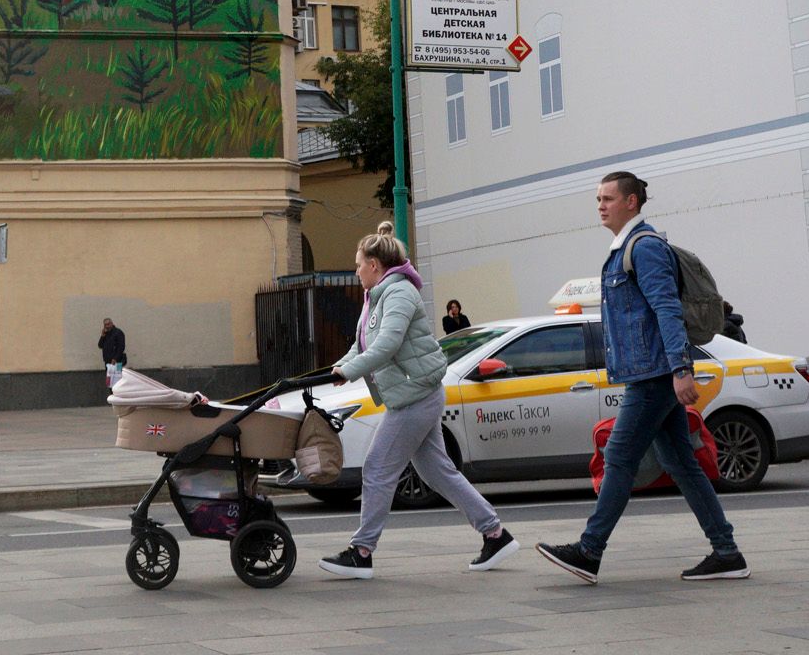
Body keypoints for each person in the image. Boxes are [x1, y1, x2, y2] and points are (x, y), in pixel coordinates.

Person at [537, 172, 748, 583]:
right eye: (598, 199)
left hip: (655, 374)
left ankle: (589, 551)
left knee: (618, 458)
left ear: (631, 202)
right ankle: (727, 552)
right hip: (650, 371)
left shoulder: (644, 248)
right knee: (680, 463)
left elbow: (667, 310)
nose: (601, 206)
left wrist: (681, 369)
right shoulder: (623, 249)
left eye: (608, 198)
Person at [319, 228, 518, 581]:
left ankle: (361, 552)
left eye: (359, 264)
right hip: (413, 394)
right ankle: (495, 534)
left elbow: (388, 345)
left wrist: (350, 371)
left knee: (377, 468)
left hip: (414, 396)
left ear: (375, 265)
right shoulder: (376, 297)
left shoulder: (399, 293)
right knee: (437, 471)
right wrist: (339, 368)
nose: (356, 271)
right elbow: (362, 345)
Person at [98, 317, 127, 388]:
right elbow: (100, 345)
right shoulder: (105, 334)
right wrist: (102, 336)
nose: (107, 326)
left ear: (112, 323)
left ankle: (119, 393)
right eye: (105, 325)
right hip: (108, 362)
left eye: (108, 324)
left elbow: (121, 347)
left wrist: (115, 358)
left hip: (117, 361)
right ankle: (111, 393)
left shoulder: (118, 333)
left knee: (118, 380)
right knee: (110, 381)